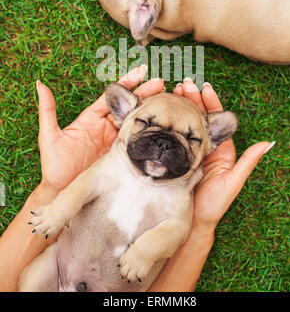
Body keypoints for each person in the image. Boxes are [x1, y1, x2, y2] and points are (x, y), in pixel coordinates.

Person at [0, 65, 275, 292]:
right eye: (145, 124)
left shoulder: (180, 194)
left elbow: (176, 230)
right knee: (32, 281)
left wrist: (146, 253)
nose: (163, 146)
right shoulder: (112, 165)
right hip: (58, 270)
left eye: (190, 138)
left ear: (211, 141)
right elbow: (87, 185)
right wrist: (57, 210)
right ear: (122, 114)